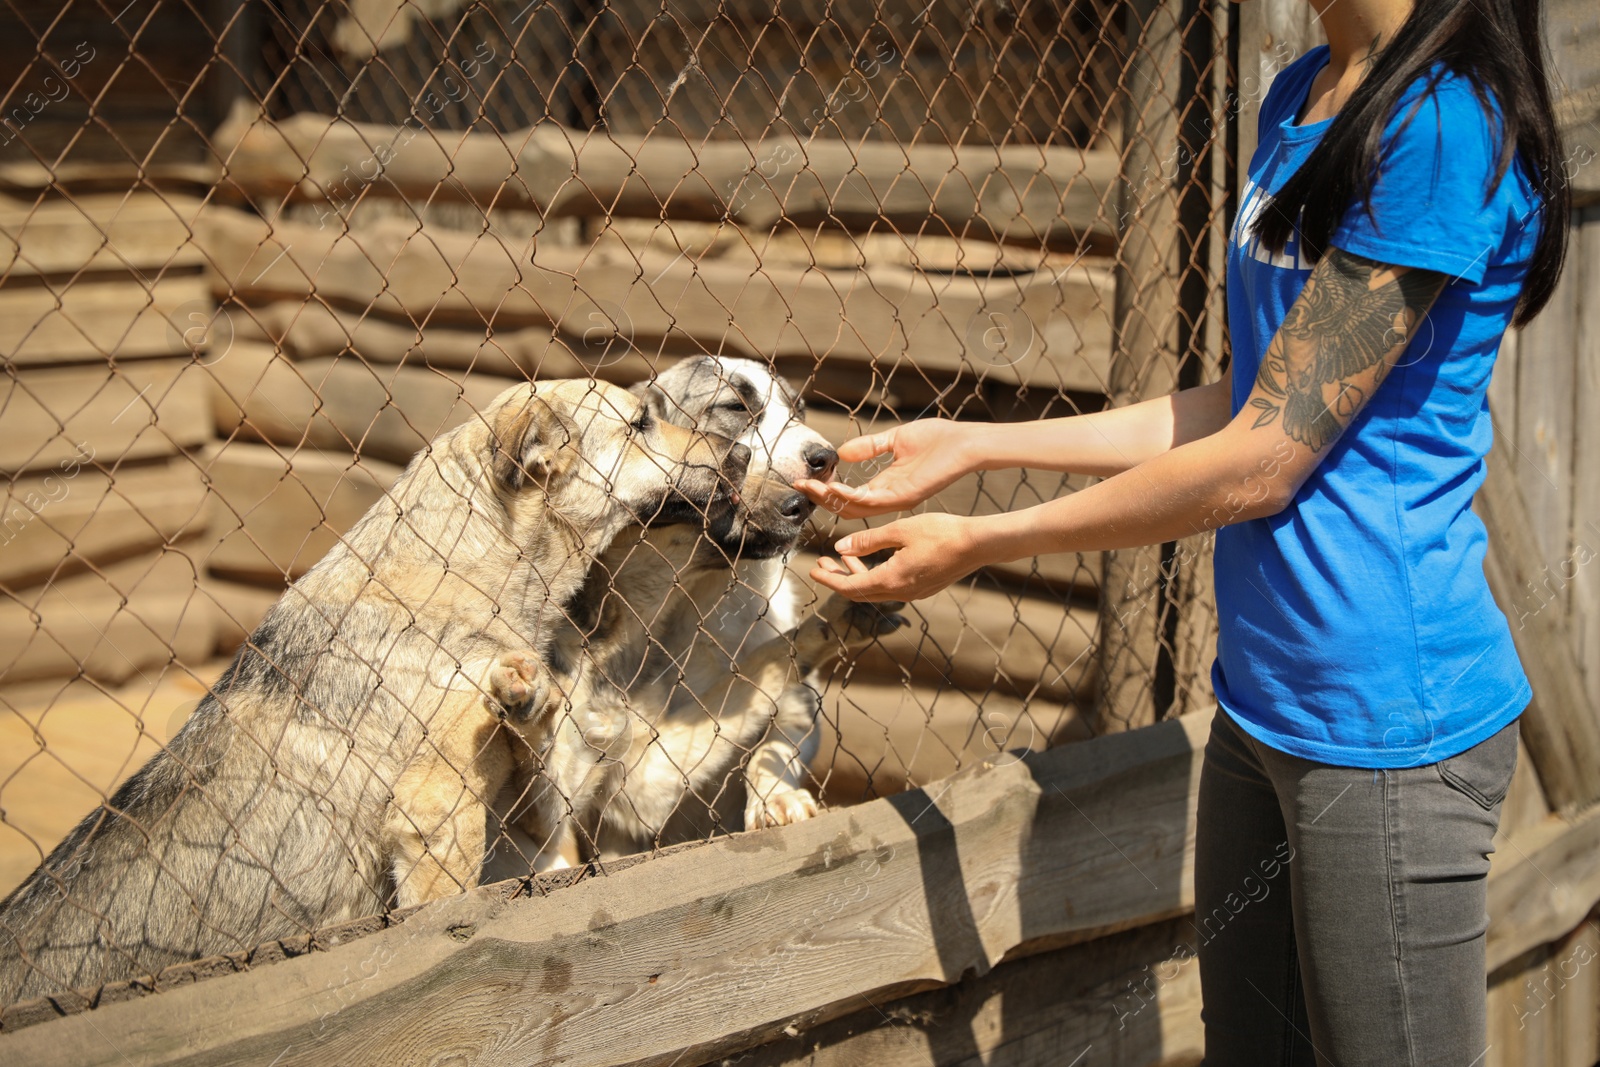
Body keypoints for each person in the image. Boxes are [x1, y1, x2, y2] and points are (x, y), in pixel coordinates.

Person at [793, 0, 1572, 1061]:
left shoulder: (1438, 125)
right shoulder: (1304, 92)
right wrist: (976, 444)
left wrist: (982, 539)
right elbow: (1251, 400)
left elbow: (1261, 460)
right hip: (1262, 707)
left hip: (1389, 722)